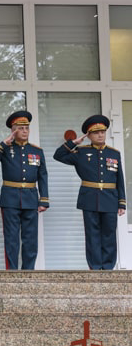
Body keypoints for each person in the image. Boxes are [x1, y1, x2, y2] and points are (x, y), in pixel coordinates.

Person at [54, 114, 126, 270]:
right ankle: (94, 267)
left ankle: (107, 268)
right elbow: (58, 155)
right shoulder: (80, 152)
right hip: (90, 199)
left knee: (109, 235)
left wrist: (122, 202)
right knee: (92, 235)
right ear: (89, 135)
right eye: (96, 132)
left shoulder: (114, 153)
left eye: (103, 132)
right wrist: (73, 143)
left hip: (110, 199)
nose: (100, 135)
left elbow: (119, 179)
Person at [0, 111, 49, 270]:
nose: (24, 131)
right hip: (10, 198)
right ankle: (12, 272)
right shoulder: (6, 148)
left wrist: (44, 199)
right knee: (11, 238)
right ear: (13, 130)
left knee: (30, 239)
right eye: (20, 128)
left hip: (30, 198)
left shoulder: (36, 151)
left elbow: (42, 176)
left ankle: (28, 271)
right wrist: (4, 143)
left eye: (26, 128)